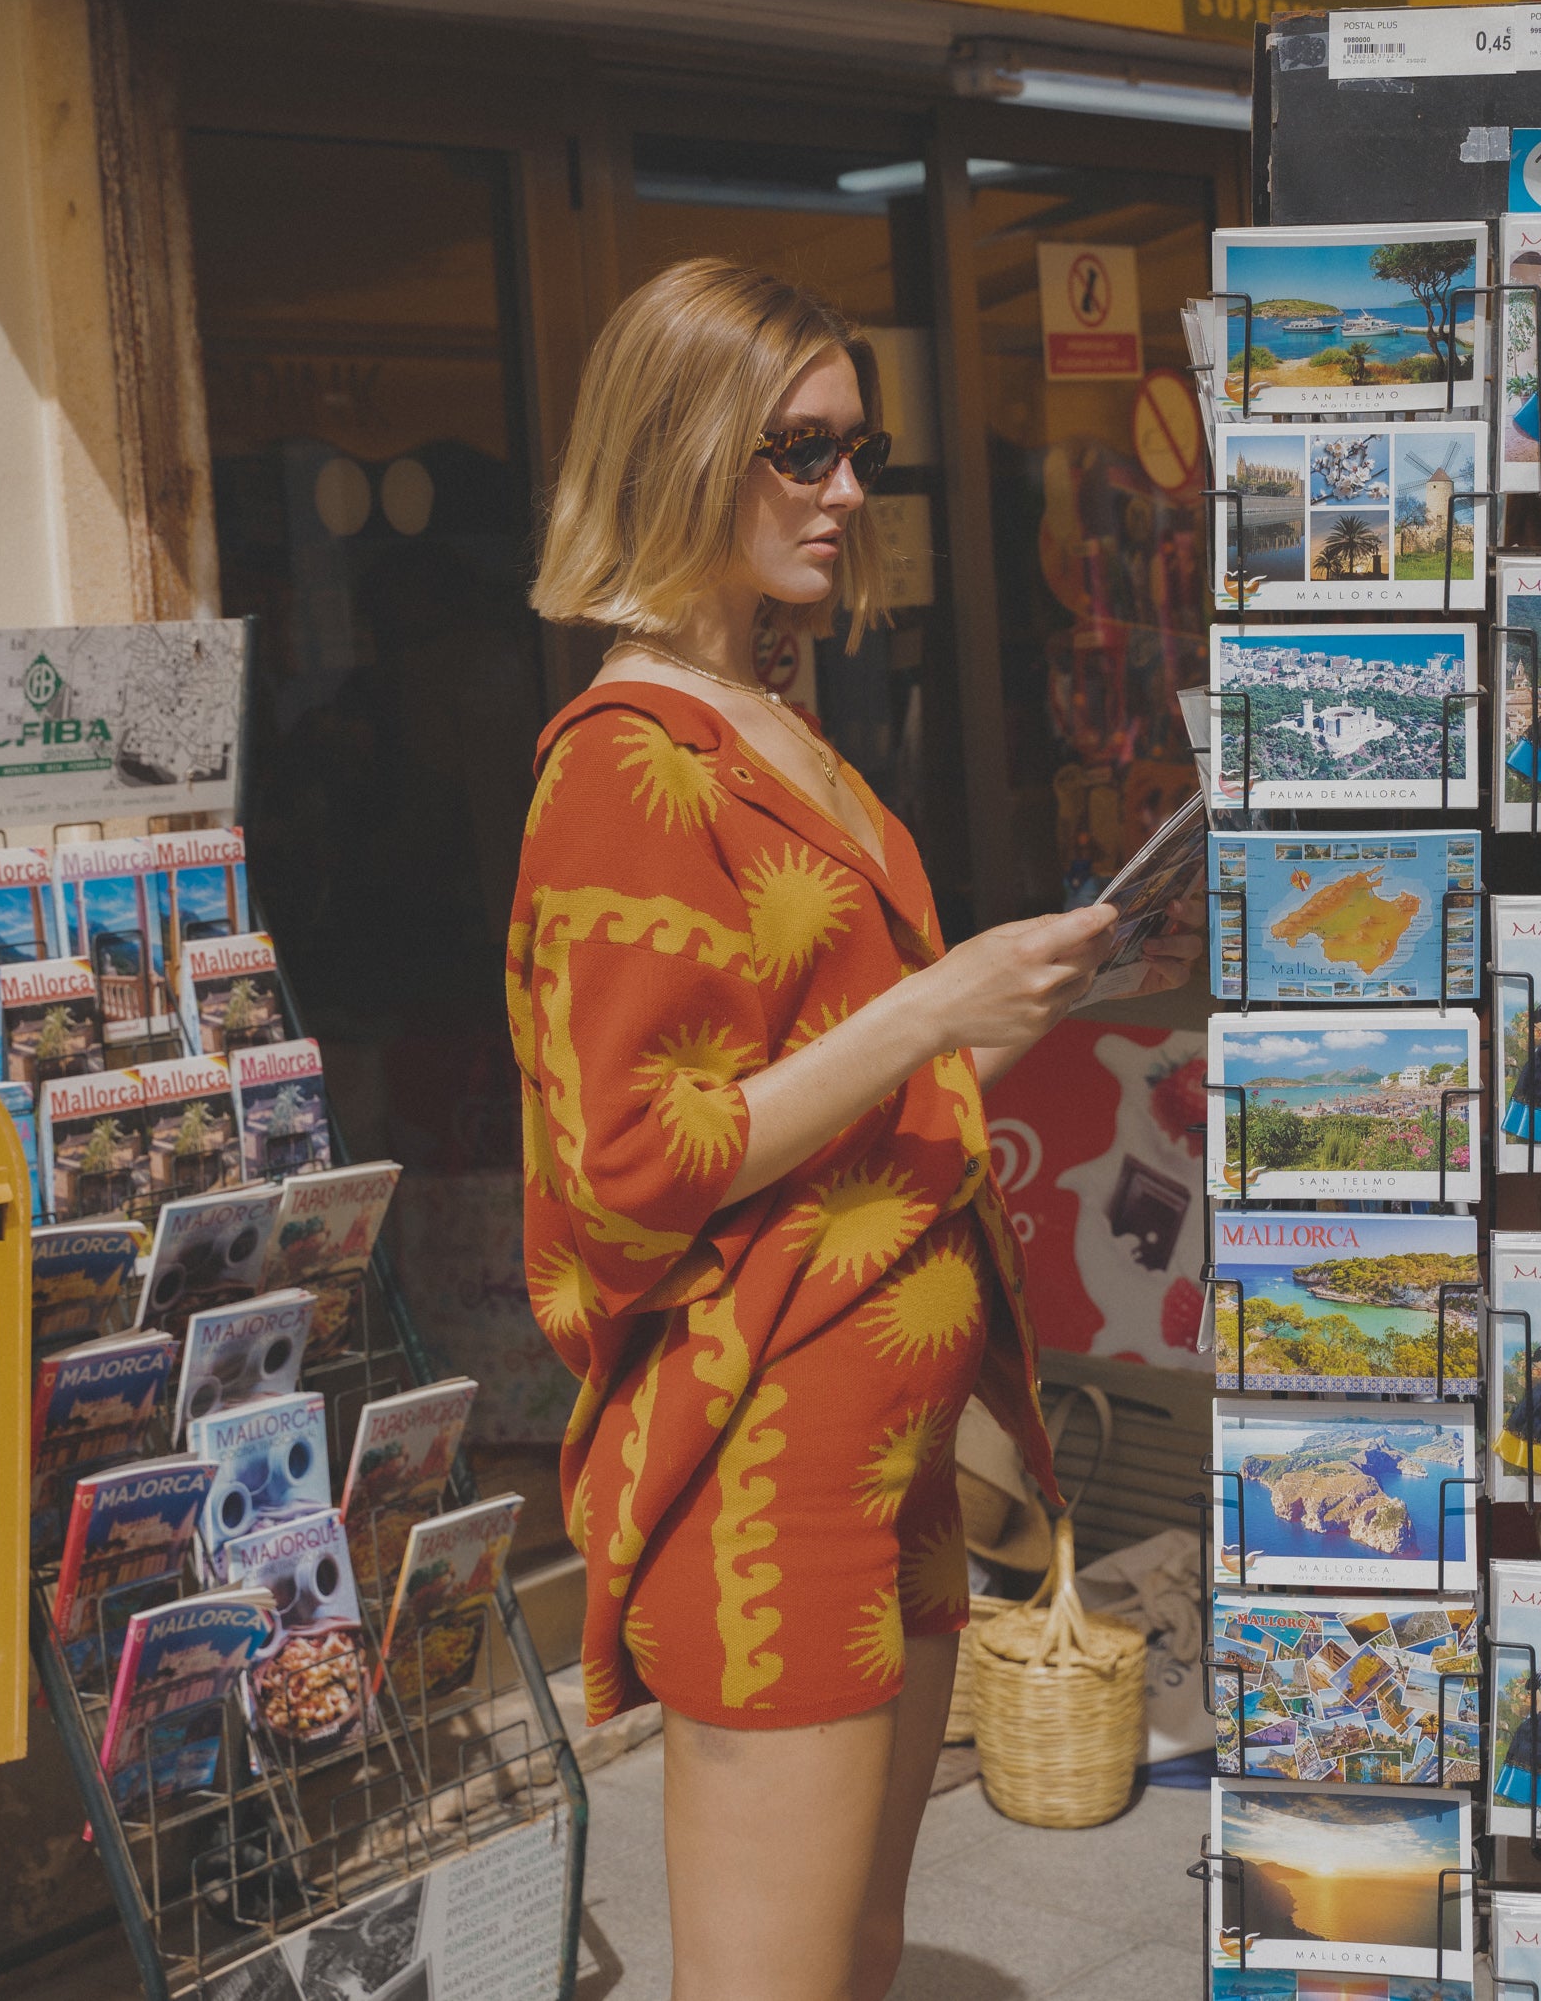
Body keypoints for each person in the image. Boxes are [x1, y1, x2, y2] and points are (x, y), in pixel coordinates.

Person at [507, 258, 1199, 2001]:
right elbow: (634, 1166)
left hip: (885, 1449)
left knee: (859, 1959)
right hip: (770, 1463)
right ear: (677, 451)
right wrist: (937, 1009)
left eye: (857, 451)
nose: (839, 490)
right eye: (794, 447)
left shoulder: (777, 728)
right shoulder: (624, 764)